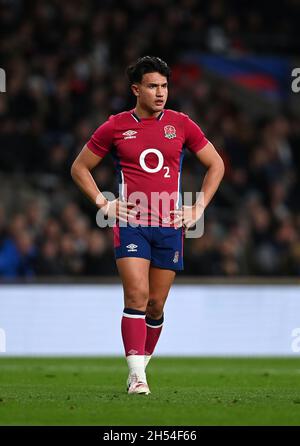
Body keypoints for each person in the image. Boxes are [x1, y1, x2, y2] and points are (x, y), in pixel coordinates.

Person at [71, 56, 224, 395]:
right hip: (132, 223)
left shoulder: (182, 124)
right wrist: (104, 203)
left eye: (165, 86)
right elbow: (79, 168)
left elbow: (216, 164)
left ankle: (138, 367)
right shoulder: (114, 126)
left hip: (170, 226)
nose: (160, 93)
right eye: (153, 86)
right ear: (136, 89)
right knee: (137, 296)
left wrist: (198, 206)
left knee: (156, 305)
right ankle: (137, 376)